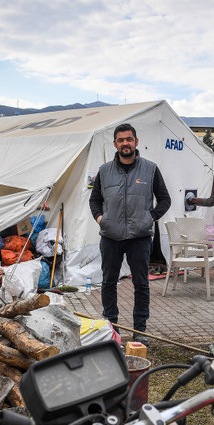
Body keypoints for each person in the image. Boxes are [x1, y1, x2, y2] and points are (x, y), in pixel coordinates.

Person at [89, 123, 171, 346]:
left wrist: (150, 217)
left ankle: (140, 329)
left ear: (136, 141)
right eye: (121, 140)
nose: (125, 143)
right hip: (111, 236)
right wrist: (100, 219)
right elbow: (94, 200)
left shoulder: (150, 169)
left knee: (141, 284)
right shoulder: (104, 171)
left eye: (129, 139)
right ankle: (112, 327)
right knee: (108, 282)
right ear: (115, 144)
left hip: (140, 237)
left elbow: (165, 199)